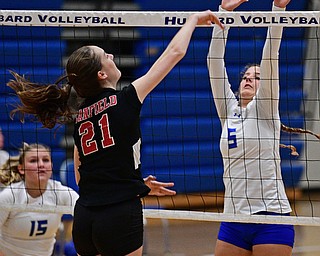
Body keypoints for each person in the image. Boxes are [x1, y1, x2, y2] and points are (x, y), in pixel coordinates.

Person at [6, 11, 223, 256]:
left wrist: (134, 184)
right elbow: (175, 53)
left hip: (85, 218)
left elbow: (82, 177)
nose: (110, 55)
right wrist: (193, 19)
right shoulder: (126, 98)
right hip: (119, 214)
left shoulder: (80, 118)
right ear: (102, 74)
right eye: (105, 55)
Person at [207, 0, 299, 256]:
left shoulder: (266, 110)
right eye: (246, 75)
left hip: (271, 217)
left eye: (257, 77)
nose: (249, 78)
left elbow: (271, 56)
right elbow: (214, 62)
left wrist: (278, 9)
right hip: (234, 218)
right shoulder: (229, 112)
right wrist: (223, 12)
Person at [0, 142, 79, 256]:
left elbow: (85, 213)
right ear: (21, 169)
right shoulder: (9, 196)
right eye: (33, 161)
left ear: (51, 166)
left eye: (46, 160)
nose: (41, 164)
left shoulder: (61, 193)